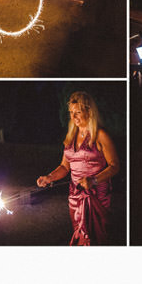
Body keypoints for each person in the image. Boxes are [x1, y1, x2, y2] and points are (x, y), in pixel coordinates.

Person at [37, 91, 119, 245]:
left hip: (95, 195)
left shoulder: (100, 135)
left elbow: (114, 166)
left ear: (89, 112)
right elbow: (64, 166)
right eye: (71, 113)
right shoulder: (70, 137)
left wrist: (93, 180)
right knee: (79, 234)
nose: (73, 117)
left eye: (78, 112)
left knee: (93, 238)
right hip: (75, 196)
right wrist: (49, 177)